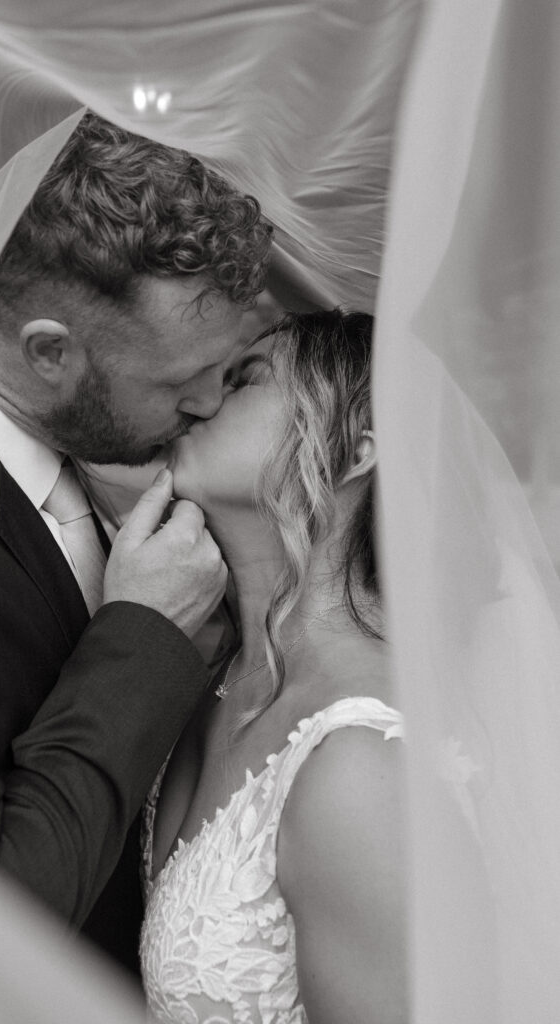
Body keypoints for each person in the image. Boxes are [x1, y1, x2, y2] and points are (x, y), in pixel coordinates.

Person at [0, 112, 273, 971]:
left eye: (232, 370)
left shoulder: (91, 458)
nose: (216, 405)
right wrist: (144, 634)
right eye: (183, 384)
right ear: (49, 354)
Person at [140, 308, 408, 1024]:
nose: (200, 399)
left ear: (353, 451)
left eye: (245, 379)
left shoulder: (362, 756)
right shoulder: (212, 681)